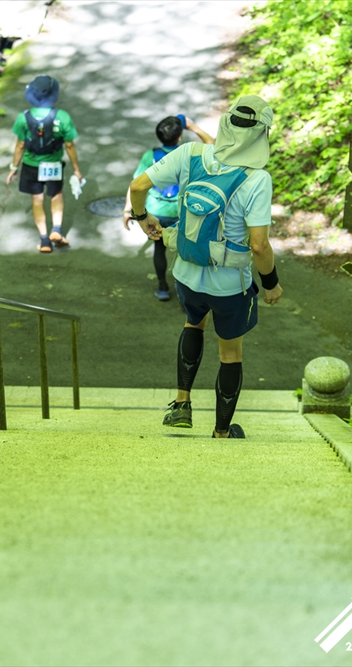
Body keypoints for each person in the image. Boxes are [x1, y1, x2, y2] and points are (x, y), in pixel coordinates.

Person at [128, 95, 283, 439]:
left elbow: (138, 186)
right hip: (229, 284)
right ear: (261, 135)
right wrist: (271, 283)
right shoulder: (257, 179)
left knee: (193, 323)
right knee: (230, 353)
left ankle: (181, 403)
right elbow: (259, 245)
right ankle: (222, 432)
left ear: (226, 124)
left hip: (186, 273)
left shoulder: (191, 154)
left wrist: (143, 217)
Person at [123, 115, 214, 301]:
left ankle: (163, 287)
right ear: (180, 136)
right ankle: (184, 294)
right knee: (185, 253)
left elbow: (135, 184)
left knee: (159, 248)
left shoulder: (150, 155)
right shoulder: (188, 153)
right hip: (182, 212)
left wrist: (127, 209)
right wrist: (192, 126)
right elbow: (211, 144)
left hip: (157, 212)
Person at [6, 75, 83, 253]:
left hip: (31, 165)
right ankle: (57, 230)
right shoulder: (62, 117)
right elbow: (69, 145)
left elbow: (20, 145)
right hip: (53, 165)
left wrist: (14, 168)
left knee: (37, 199)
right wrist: (76, 169)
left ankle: (44, 240)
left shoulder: (23, 117)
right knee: (56, 195)